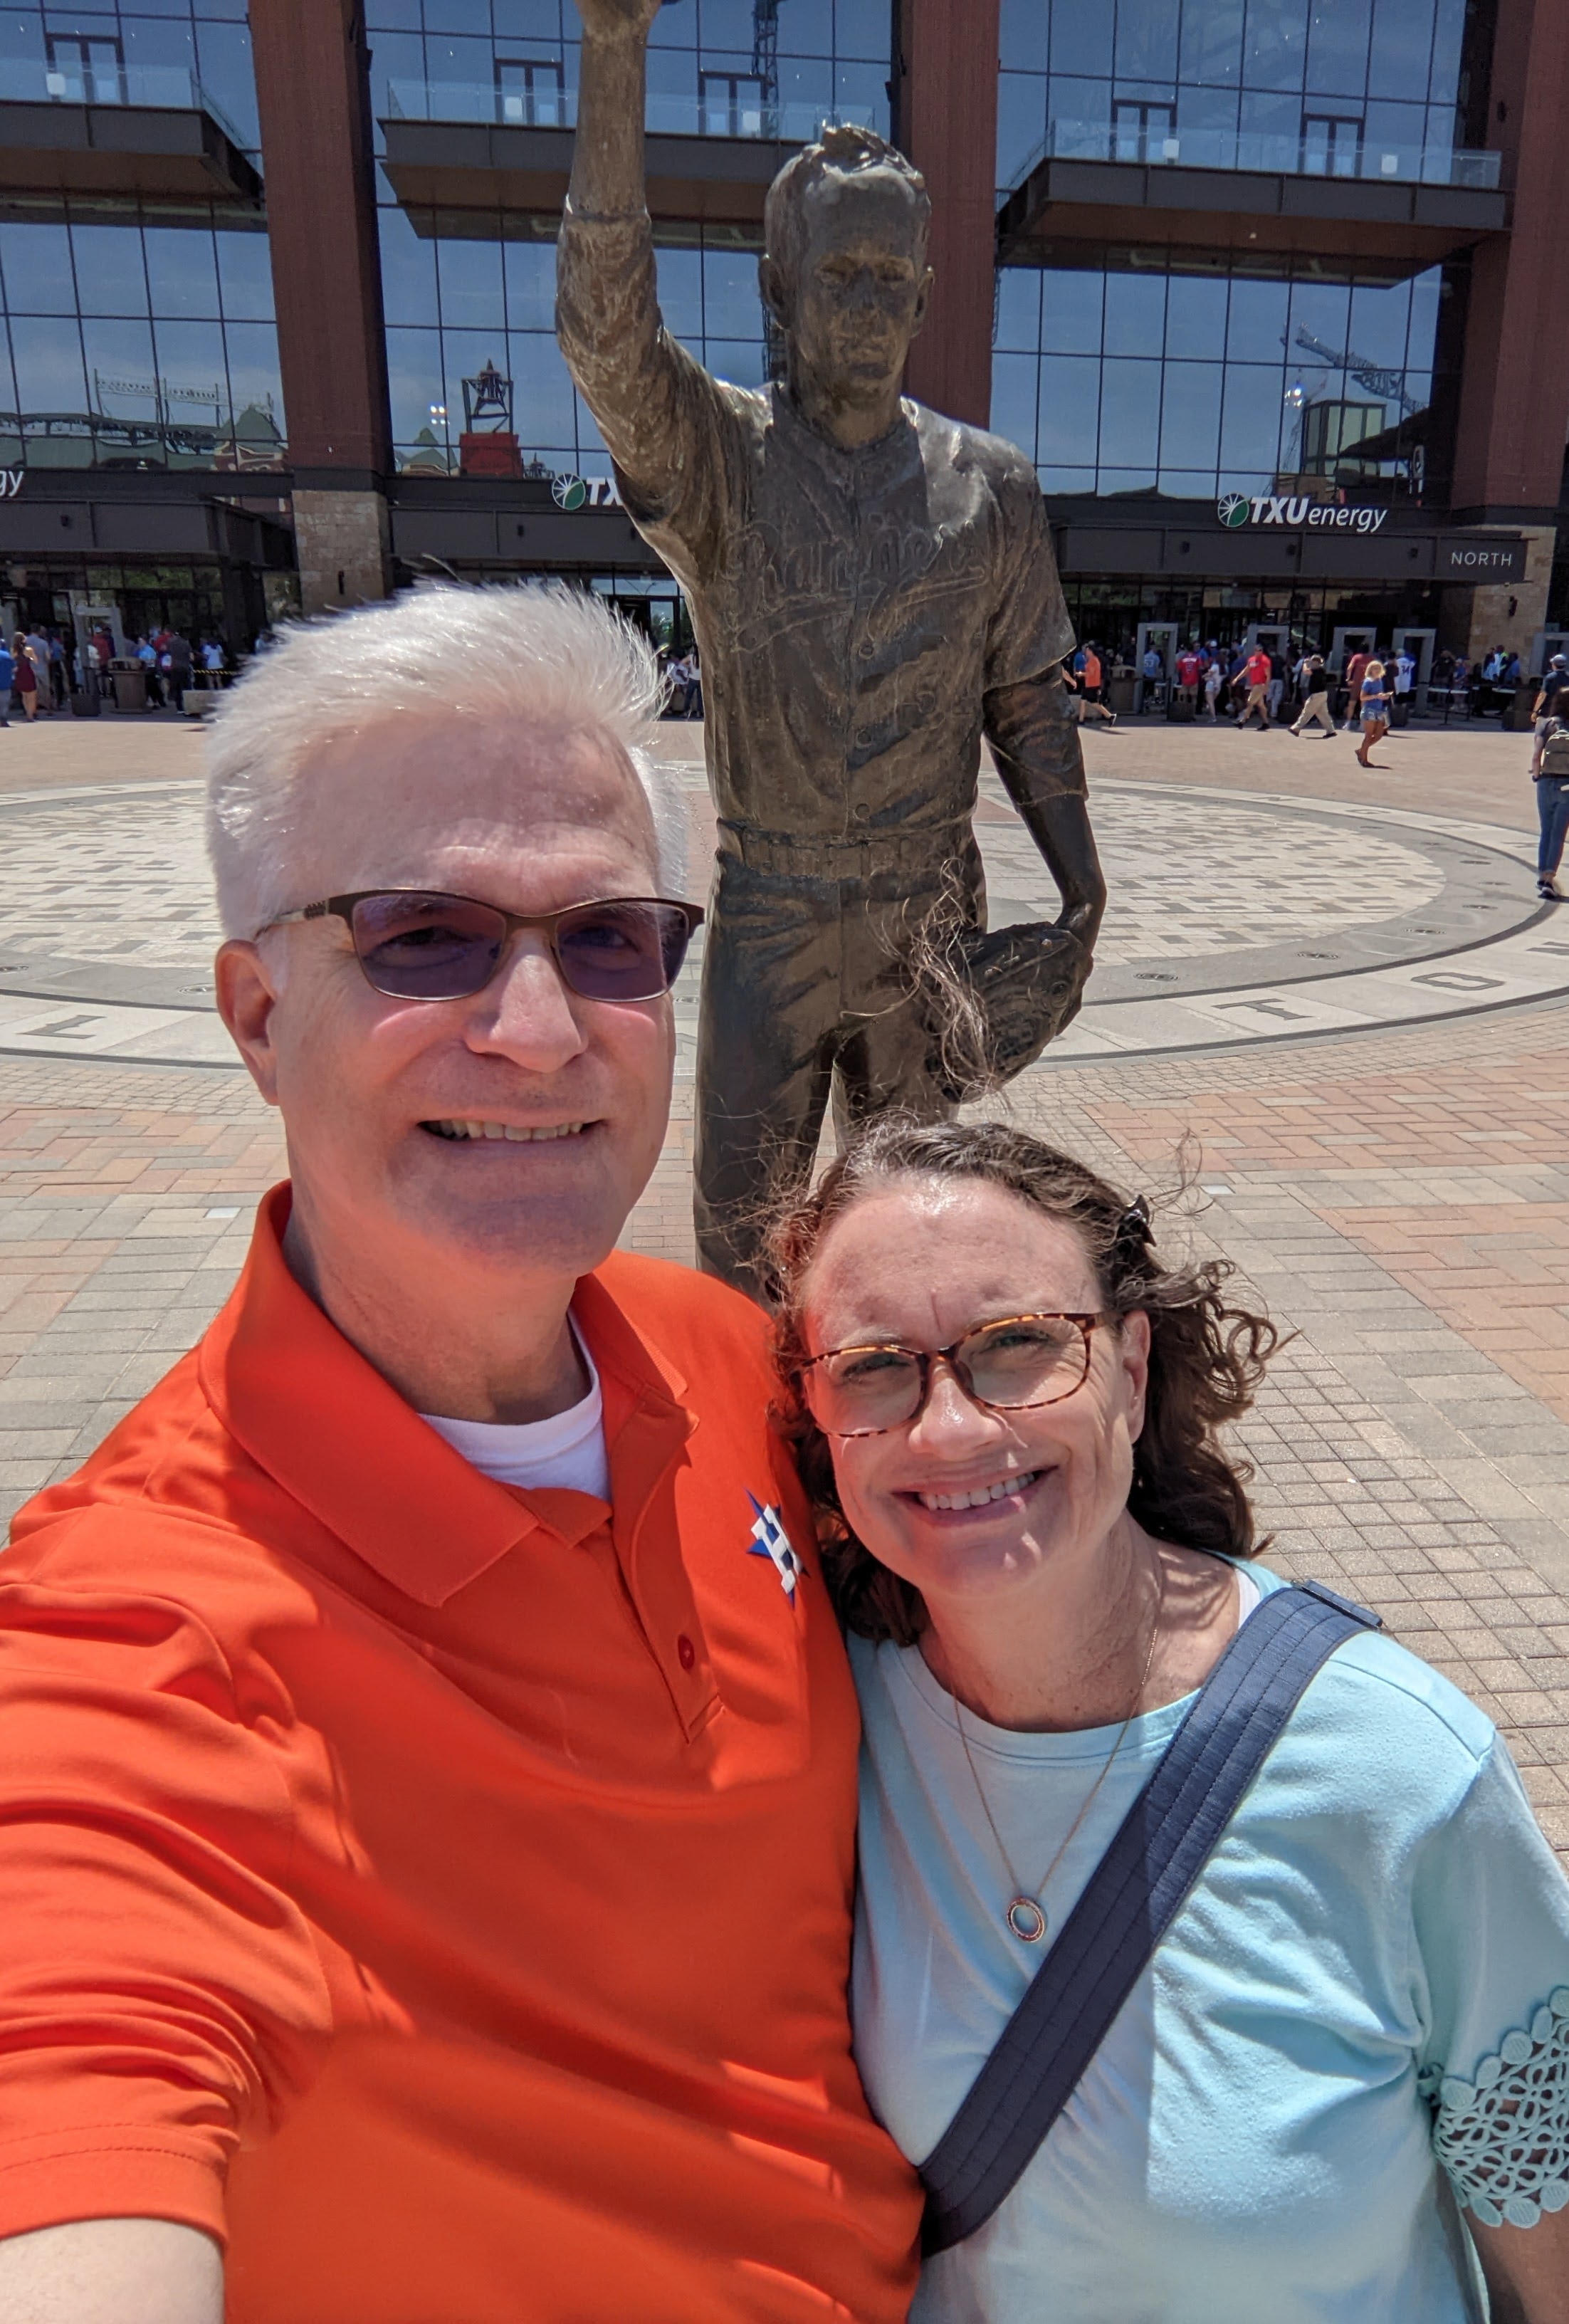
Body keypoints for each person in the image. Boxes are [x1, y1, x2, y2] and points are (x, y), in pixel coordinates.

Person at [0, 585, 921, 2324]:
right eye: (424, 937)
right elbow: (77, 2078)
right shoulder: (136, 1635)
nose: (539, 1027)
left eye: (610, 938)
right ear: (257, 1013)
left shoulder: (728, 1358)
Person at [768, 1115, 1569, 2324]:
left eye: (1017, 1344)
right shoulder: (822, 1716)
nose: (951, 1427)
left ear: (1132, 1371)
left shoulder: (1393, 1768)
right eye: (873, 1365)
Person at [557, 0, 1103, 1293]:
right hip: (773, 914)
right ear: (779, 287)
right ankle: (745, 1419)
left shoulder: (989, 484)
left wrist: (1081, 891)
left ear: (924, 291)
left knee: (918, 1224)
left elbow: (1026, 698)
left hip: (929, 916)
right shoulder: (723, 461)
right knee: (738, 1234)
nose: (865, 306)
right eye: (836, 276)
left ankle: (884, 1411)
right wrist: (615, 52)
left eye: (888, 280)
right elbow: (607, 340)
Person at [1529, 711, 1569, 901]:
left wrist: (1536, 776)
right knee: (1558, 834)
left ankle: (1541, 875)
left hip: (1546, 782)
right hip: (1567, 785)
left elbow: (1536, 756)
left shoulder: (1545, 725)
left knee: (1546, 830)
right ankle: (1549, 878)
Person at [1356, 656, 1391, 768]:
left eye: (1378, 668)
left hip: (1379, 710)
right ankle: (1364, 759)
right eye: (1374, 668)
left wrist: (1384, 696)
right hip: (1369, 710)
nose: (1377, 670)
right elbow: (1362, 697)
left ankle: (1361, 750)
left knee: (1379, 734)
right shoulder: (1368, 682)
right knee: (1369, 735)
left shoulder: (1379, 681)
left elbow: (1379, 694)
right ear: (1370, 670)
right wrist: (1376, 696)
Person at [1289, 653, 1336, 736]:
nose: (1311, 663)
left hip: (1317, 695)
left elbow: (1306, 671)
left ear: (1316, 662)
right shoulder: (1320, 669)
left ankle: (1296, 728)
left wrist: (1305, 664)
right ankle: (1331, 731)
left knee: (1306, 712)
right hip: (1321, 694)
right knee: (1323, 714)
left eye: (1312, 661)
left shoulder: (1318, 669)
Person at [1075, 642, 1115, 726]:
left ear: (1091, 651)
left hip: (1092, 685)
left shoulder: (1094, 660)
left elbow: (1091, 673)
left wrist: (1081, 674)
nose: (1086, 652)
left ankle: (1109, 716)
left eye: (1087, 650)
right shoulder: (1091, 660)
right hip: (1090, 684)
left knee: (1093, 703)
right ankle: (1081, 720)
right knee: (1086, 701)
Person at [1237, 642, 1273, 730]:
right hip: (1254, 684)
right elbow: (1246, 670)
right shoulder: (1252, 660)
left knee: (1250, 702)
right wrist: (1237, 678)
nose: (1258, 652)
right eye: (1256, 650)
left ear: (1262, 651)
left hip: (1260, 685)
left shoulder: (1265, 661)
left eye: (1260, 650)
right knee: (1261, 705)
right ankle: (1266, 723)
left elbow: (1268, 675)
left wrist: (1266, 686)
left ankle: (1243, 721)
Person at [11, 630, 39, 721]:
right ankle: (30, 715)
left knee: (24, 695)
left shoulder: (13, 650)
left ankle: (28, 713)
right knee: (32, 696)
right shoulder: (29, 650)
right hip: (28, 672)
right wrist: (31, 657)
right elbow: (36, 661)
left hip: (19, 673)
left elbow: (13, 661)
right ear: (23, 640)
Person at [1341, 643, 1370, 728]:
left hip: (1356, 683)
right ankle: (1362, 724)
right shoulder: (1372, 658)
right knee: (1364, 704)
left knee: (1352, 703)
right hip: (1367, 683)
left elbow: (1350, 668)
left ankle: (1348, 723)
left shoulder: (1356, 657)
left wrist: (1348, 679)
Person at [1201, 656, 1222, 723]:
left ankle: (1213, 717)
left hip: (1211, 684)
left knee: (1210, 702)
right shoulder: (1225, 667)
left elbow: (1209, 674)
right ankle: (1211, 715)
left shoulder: (1215, 666)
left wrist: (1203, 676)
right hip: (1218, 685)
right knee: (1212, 701)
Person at [0, 633, 12, 727]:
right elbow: (14, 668)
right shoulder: (7, 655)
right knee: (4, 703)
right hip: (5, 683)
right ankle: (3, 720)